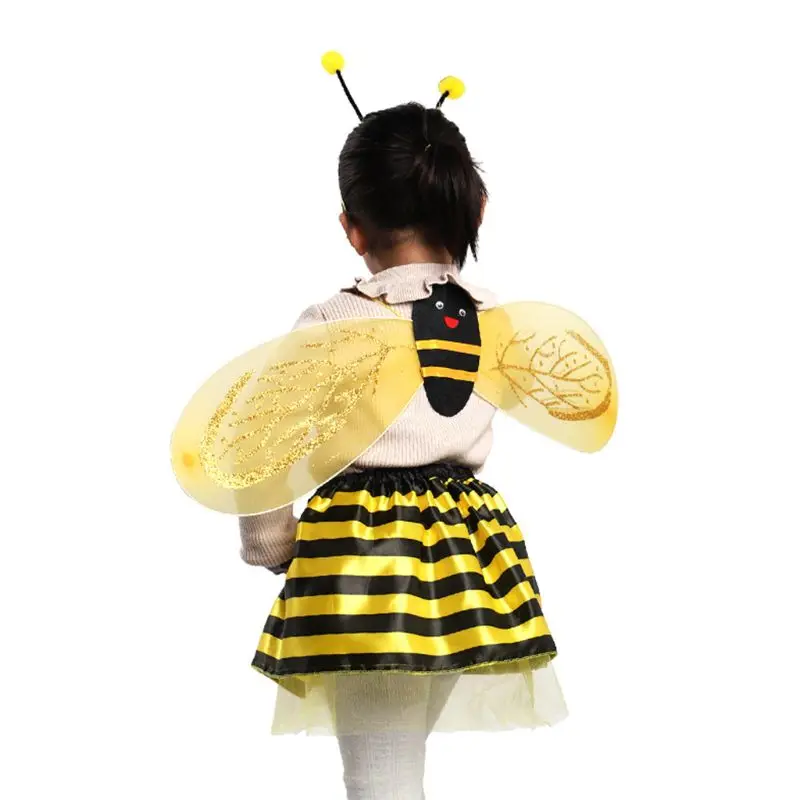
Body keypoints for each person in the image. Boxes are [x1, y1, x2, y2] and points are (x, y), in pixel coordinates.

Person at [238, 56, 568, 800]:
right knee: (397, 764)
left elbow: (261, 442)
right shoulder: (496, 322)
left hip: (364, 562)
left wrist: (271, 542)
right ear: (476, 210)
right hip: (467, 561)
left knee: (380, 777)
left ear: (352, 227)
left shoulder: (332, 321)